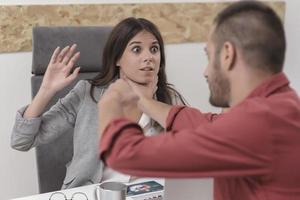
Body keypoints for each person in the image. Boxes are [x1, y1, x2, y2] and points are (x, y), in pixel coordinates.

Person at [98, 1, 300, 200]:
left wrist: (112, 100)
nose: (206, 72)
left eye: (209, 56)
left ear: (228, 55)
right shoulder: (281, 105)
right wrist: (145, 101)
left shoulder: (258, 122)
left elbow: (125, 153)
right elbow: (209, 124)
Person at [11, 17, 185, 189]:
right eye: (137, 49)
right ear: (117, 58)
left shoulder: (169, 98)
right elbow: (21, 140)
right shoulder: (88, 93)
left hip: (150, 193)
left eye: (154, 49)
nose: (148, 57)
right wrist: (46, 90)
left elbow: (190, 153)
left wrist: (149, 103)